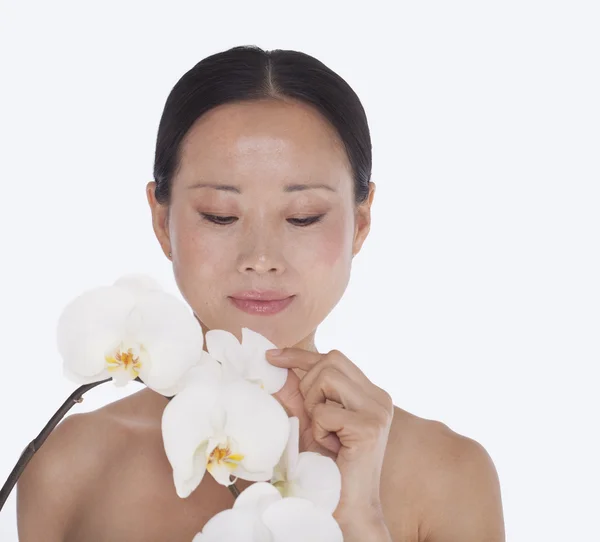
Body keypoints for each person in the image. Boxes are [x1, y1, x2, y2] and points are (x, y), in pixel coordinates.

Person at [16, 45, 505, 541]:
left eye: (303, 217)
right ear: (162, 222)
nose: (262, 256)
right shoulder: (67, 467)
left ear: (360, 223)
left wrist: (359, 517)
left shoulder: (450, 477)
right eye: (220, 216)